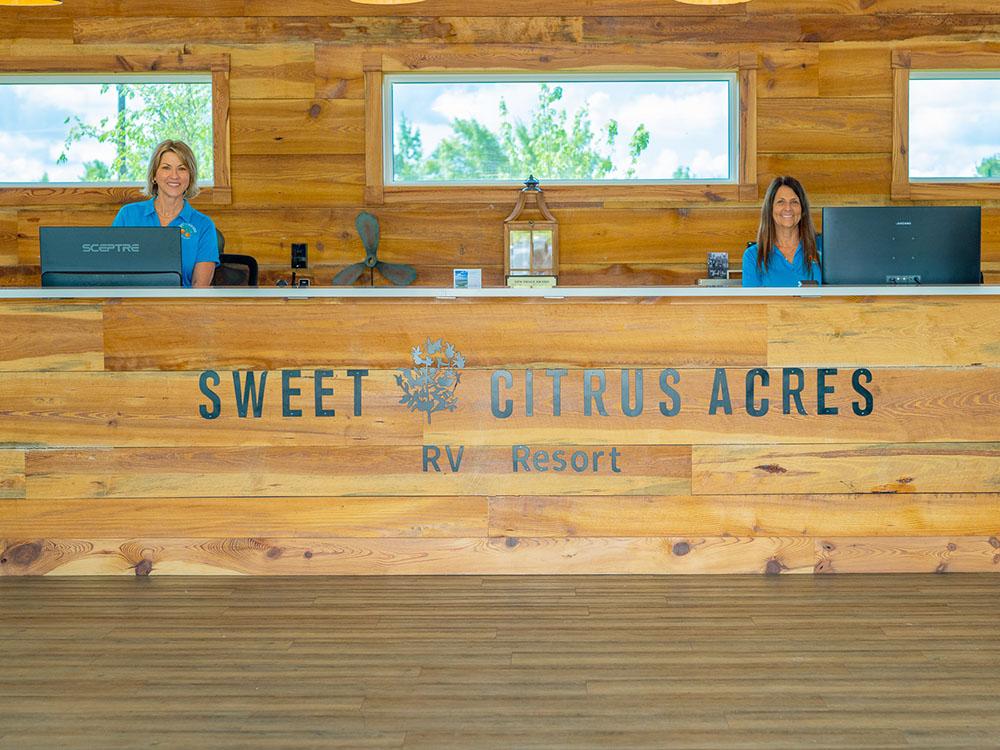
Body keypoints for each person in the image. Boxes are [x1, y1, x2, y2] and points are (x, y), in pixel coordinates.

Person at [112, 139, 219, 287]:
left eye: (182, 168)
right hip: (132, 306)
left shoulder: (204, 225)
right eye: (166, 168)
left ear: (190, 176)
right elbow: (112, 274)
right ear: (154, 175)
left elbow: (199, 287)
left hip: (182, 307)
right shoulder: (128, 216)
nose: (174, 176)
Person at [742, 176, 822, 287]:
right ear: (770, 209)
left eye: (794, 202)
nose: (788, 208)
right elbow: (753, 303)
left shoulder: (822, 248)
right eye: (781, 202)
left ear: (802, 209)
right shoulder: (753, 256)